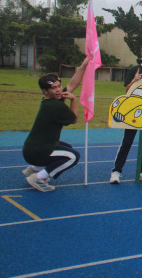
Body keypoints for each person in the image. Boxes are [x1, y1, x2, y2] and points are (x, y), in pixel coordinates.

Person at [21, 59, 90, 192]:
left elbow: (71, 85)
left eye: (59, 86)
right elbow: (74, 119)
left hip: (33, 147)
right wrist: (74, 100)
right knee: (73, 156)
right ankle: (38, 177)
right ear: (45, 91)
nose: (58, 90)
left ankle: (35, 169)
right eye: (54, 88)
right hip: (36, 151)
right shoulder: (55, 106)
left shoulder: (50, 100)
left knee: (68, 148)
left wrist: (83, 66)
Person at [110, 43, 142, 184]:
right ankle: (116, 171)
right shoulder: (135, 69)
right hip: (134, 112)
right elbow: (127, 91)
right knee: (127, 142)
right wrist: (134, 80)